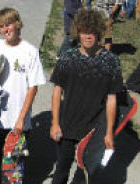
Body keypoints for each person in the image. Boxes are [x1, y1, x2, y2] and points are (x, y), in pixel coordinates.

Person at [50, 8, 123, 184]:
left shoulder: (111, 61)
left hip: (93, 130)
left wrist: (108, 132)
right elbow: (57, 90)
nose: (88, 36)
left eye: (92, 32)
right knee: (61, 169)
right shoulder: (68, 57)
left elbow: (112, 99)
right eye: (84, 31)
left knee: (84, 174)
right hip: (67, 125)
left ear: (98, 33)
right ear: (78, 32)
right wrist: (54, 123)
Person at [0, 7, 46, 184]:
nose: (6, 29)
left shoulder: (30, 51)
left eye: (8, 24)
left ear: (17, 24)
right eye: (2, 26)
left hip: (18, 122)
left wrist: (21, 119)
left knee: (14, 169)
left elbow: (33, 87)